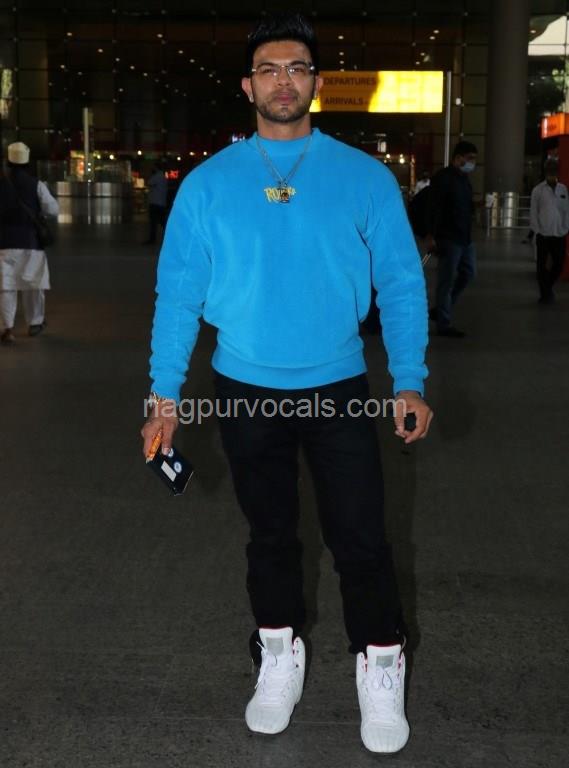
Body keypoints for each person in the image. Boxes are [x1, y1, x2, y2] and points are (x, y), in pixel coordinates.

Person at [141, 12, 432, 755]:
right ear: (247, 86)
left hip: (338, 386)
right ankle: (278, 652)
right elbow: (177, 296)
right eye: (268, 69)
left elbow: (402, 282)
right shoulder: (208, 185)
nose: (283, 81)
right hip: (242, 388)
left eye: (297, 68)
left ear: (317, 84)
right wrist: (164, 398)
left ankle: (381, 660)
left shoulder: (363, 177)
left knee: (360, 534)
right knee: (269, 532)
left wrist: (408, 380)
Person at [0, 142, 59, 345]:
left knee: (6, 287)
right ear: (27, 162)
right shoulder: (37, 185)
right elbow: (53, 209)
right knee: (33, 285)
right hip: (31, 243)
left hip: (4, 244)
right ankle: (35, 323)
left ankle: (7, 328)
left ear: (8, 161)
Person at [425, 141, 478, 338]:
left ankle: (440, 309)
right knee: (446, 281)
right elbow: (433, 207)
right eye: (470, 158)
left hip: (464, 237)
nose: (472, 163)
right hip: (448, 237)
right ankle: (444, 323)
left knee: (468, 273)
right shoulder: (443, 178)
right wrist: (430, 234)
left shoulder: (464, 180)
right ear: (458, 158)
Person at [529, 159, 569, 303]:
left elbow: (566, 211)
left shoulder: (563, 189)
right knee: (541, 267)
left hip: (559, 234)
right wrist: (538, 231)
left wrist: (565, 228)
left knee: (558, 265)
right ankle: (545, 295)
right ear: (545, 172)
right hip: (543, 235)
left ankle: (548, 287)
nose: (552, 173)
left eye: (554, 170)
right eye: (549, 170)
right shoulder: (538, 190)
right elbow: (533, 212)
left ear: (557, 172)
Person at [143, 164, 168, 245]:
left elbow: (148, 182)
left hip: (155, 203)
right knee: (162, 222)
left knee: (154, 222)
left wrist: (148, 175)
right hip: (161, 203)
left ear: (156, 168)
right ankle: (170, 236)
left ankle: (152, 239)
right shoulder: (163, 176)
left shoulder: (157, 176)